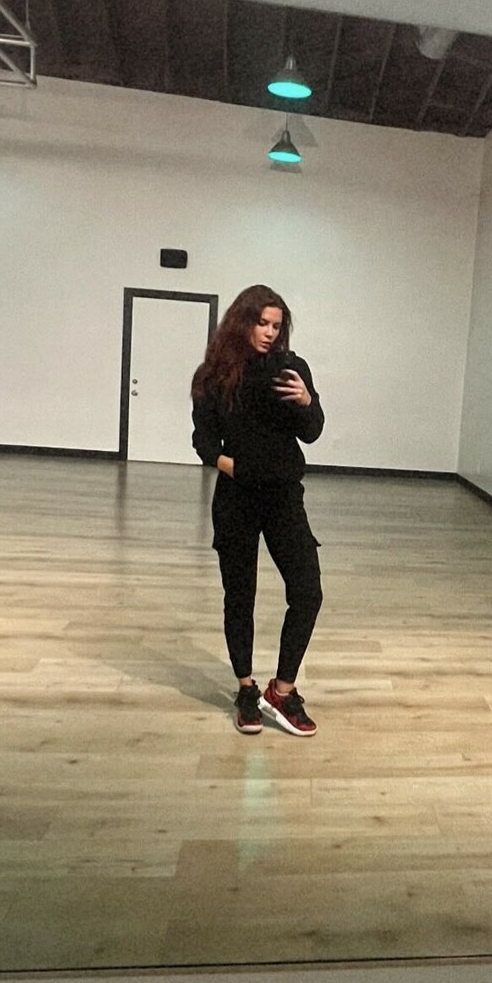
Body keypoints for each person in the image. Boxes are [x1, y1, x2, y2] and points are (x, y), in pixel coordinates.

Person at [191, 284, 324, 736]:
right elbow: (204, 443)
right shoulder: (215, 375)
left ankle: (282, 691)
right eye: (262, 323)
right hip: (237, 498)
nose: (270, 332)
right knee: (239, 595)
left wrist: (308, 402)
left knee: (307, 591)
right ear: (242, 322)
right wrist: (237, 469)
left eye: (276, 325)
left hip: (285, 497)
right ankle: (246, 688)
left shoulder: (291, 369)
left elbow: (312, 432)